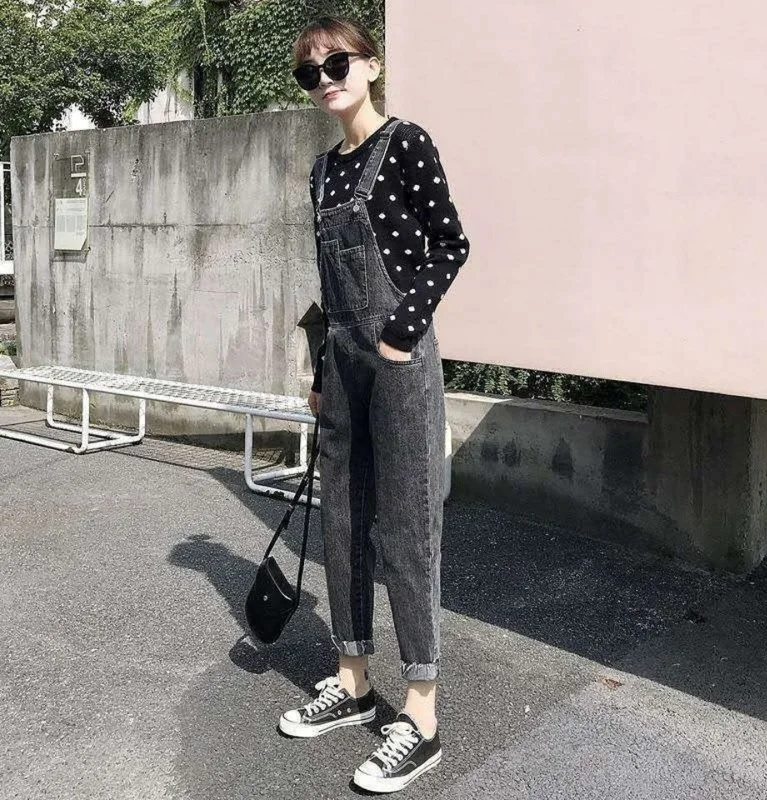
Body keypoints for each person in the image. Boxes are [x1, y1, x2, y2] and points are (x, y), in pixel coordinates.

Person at [278, 15, 470, 794]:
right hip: (343, 363)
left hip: (398, 358)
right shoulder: (322, 173)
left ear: (371, 64)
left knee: (409, 525)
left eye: (337, 64)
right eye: (310, 72)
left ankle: (420, 713)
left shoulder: (407, 143)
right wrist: (325, 367)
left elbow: (450, 243)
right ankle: (353, 678)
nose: (325, 80)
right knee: (345, 519)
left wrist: (399, 331)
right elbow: (329, 288)